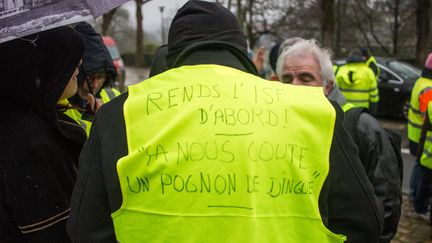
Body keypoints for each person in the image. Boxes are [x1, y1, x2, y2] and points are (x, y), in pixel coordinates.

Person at [68, 1, 382, 242]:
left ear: (174, 53)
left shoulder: (118, 114)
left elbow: (86, 228)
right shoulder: (314, 112)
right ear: (239, 49)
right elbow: (363, 223)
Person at [276, 39, 402, 243]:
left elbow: (387, 203)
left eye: (305, 78)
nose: (295, 86)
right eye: (287, 79)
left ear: (328, 86)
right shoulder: (277, 126)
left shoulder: (362, 127)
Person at [0, 27, 86, 242]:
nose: (79, 63)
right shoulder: (31, 144)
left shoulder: (16, 119)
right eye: (67, 56)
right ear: (39, 67)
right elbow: (61, 233)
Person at [67, 22, 120, 134]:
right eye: (89, 78)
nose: (95, 85)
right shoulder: (61, 106)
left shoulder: (114, 97)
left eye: (100, 77)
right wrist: (91, 119)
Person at [408, 53, 432, 211]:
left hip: (413, 132)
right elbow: (427, 115)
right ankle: (415, 196)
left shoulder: (421, 81)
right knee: (421, 170)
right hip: (421, 136)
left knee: (418, 167)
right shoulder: (429, 88)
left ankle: (412, 194)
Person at [335, 48, 379, 114]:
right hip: (362, 112)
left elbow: (335, 93)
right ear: (361, 57)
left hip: (344, 111)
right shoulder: (368, 72)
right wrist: (372, 112)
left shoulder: (340, 71)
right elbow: (374, 96)